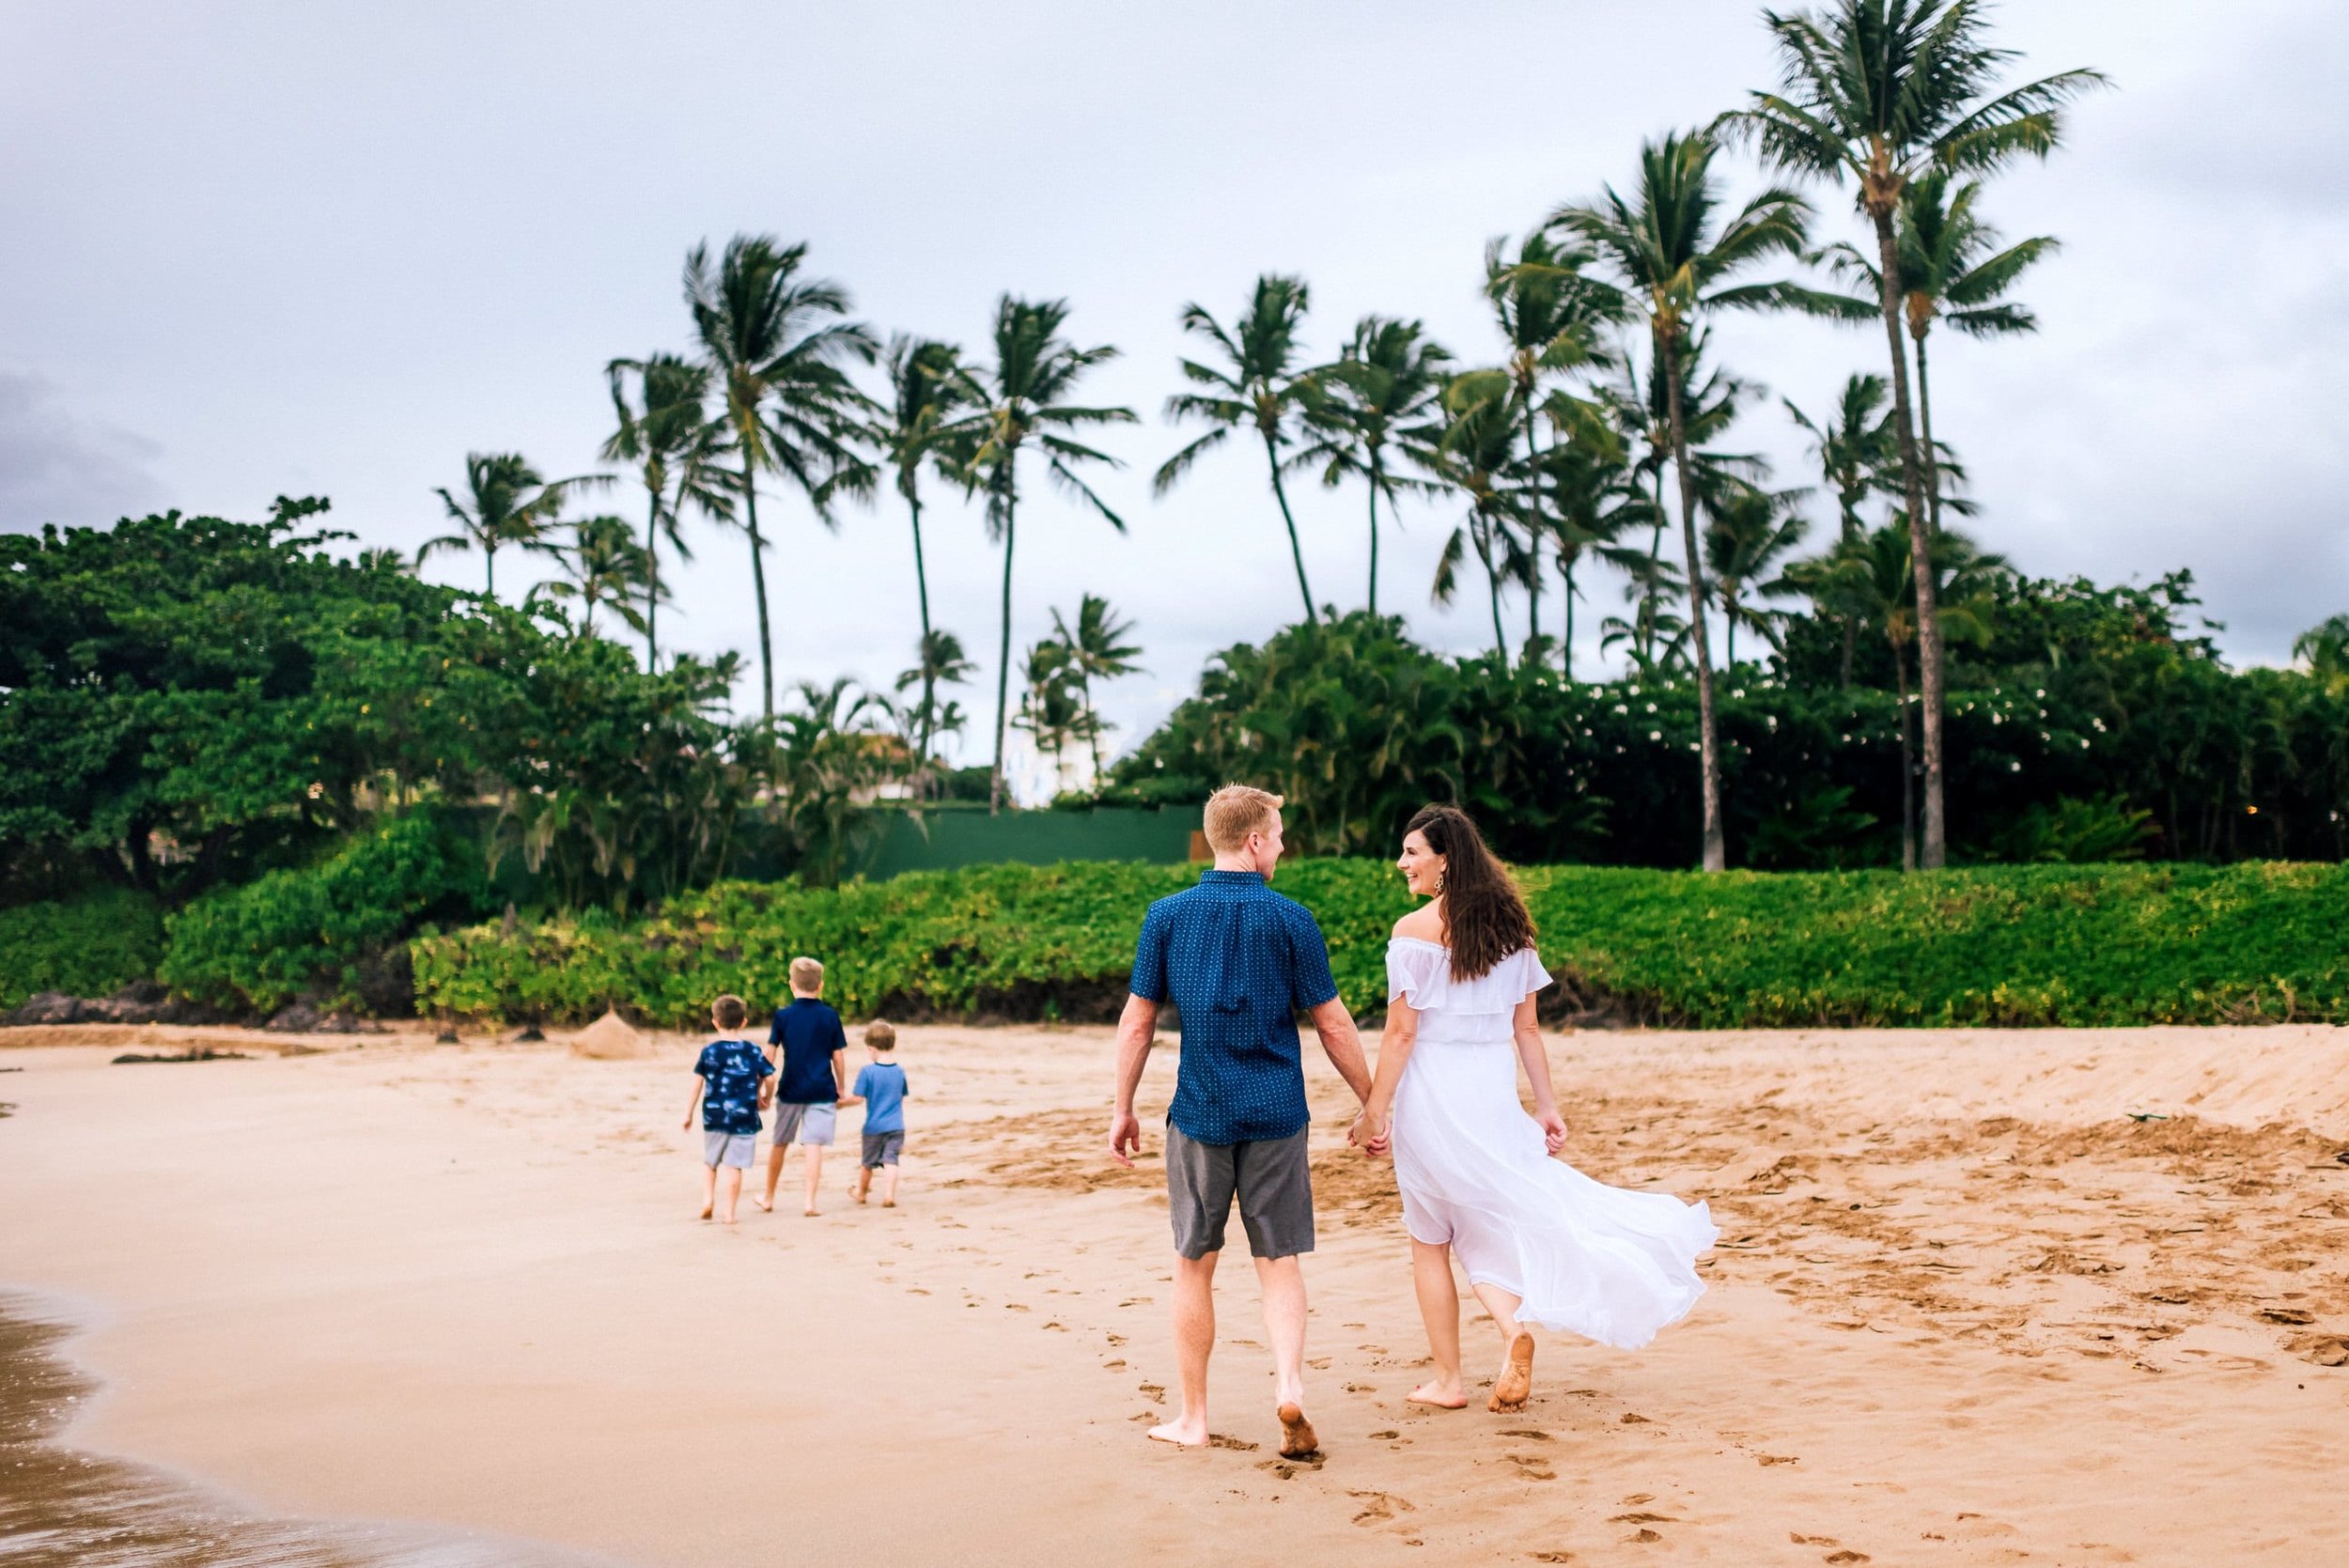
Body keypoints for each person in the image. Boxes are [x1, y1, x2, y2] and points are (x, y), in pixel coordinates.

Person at [1352, 804, 1716, 1413]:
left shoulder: (1412, 931)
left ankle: (1449, 1380)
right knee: (1483, 1224)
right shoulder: (1511, 933)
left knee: (1430, 1237)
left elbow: (1400, 1035)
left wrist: (1374, 1110)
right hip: (1492, 1092)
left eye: (1413, 851)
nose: (1402, 862)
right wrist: (1545, 1105)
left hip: (1434, 1093)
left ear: (1444, 860)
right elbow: (1528, 1030)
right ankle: (1511, 1328)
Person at [1108, 784, 1375, 1460]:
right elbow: (1334, 1023)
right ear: (1253, 841)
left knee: (1193, 1263)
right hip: (1278, 1113)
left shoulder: (1165, 915)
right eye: (1279, 834)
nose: (1283, 845)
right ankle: (1288, 1385)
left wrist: (1122, 1107)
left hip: (1199, 1112)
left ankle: (1193, 1417)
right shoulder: (1293, 919)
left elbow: (1138, 1022)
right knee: (1279, 1262)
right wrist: (1374, 1101)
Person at [759, 956, 850, 1218]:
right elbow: (838, 1056)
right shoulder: (830, 1016)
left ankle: (768, 1197)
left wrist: (762, 1086)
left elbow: (770, 1052)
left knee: (780, 1142)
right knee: (813, 1145)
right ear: (820, 986)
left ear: (791, 985)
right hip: (822, 1088)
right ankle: (809, 1202)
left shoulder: (783, 1016)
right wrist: (841, 1087)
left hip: (791, 1088)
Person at [684, 994, 773, 1224]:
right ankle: (730, 1213)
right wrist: (765, 1097)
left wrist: (688, 1113)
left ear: (715, 1022)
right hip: (744, 1117)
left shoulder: (709, 1051)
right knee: (735, 1166)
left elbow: (697, 1083)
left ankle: (707, 1200)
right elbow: (770, 1077)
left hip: (714, 1115)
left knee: (711, 1161)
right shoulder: (753, 1050)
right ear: (744, 1022)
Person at [847, 1020, 909, 1208]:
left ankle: (862, 1193)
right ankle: (889, 1194)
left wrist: (840, 1104)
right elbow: (902, 1095)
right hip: (897, 1126)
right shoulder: (899, 1071)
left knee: (868, 1163)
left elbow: (857, 1098)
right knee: (891, 1160)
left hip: (874, 1127)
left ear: (872, 1048)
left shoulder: (868, 1071)